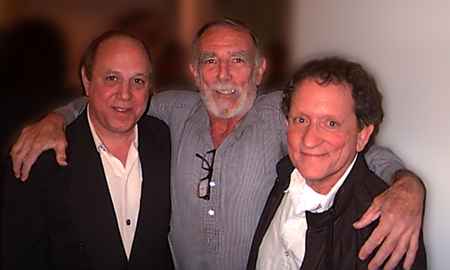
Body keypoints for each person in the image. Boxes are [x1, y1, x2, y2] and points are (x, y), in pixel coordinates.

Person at [9, 19, 425, 270]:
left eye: (238, 60)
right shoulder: (173, 109)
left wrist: (408, 187)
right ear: (194, 70)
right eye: (211, 60)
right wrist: (56, 118)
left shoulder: (284, 117)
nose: (223, 74)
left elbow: (354, 145)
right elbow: (115, 96)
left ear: (259, 69)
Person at [1, 31, 173, 270]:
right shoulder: (39, 158)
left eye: (138, 81)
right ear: (86, 79)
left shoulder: (166, 140)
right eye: (112, 78)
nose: (125, 94)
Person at [247, 57, 427, 269]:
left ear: (362, 135)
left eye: (330, 123)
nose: (309, 140)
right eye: (301, 120)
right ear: (287, 124)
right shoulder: (283, 175)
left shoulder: (386, 230)